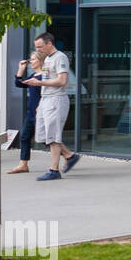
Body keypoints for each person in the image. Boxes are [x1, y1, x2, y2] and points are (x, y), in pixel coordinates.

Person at [21, 32, 80, 180]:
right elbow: (48, 78)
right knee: (44, 135)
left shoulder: (60, 57)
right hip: (46, 99)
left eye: (40, 47)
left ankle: (54, 170)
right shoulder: (47, 59)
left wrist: (39, 83)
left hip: (56, 99)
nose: (38, 50)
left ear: (49, 44)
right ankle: (69, 155)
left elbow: (62, 81)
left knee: (53, 135)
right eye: (36, 47)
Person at [8, 51, 46, 174]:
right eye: (30, 59)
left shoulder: (44, 77)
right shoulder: (33, 75)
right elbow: (19, 83)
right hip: (31, 113)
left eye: (33, 59)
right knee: (24, 137)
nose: (31, 62)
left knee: (48, 140)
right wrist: (21, 69)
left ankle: (67, 155)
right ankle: (23, 164)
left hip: (40, 112)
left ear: (40, 61)